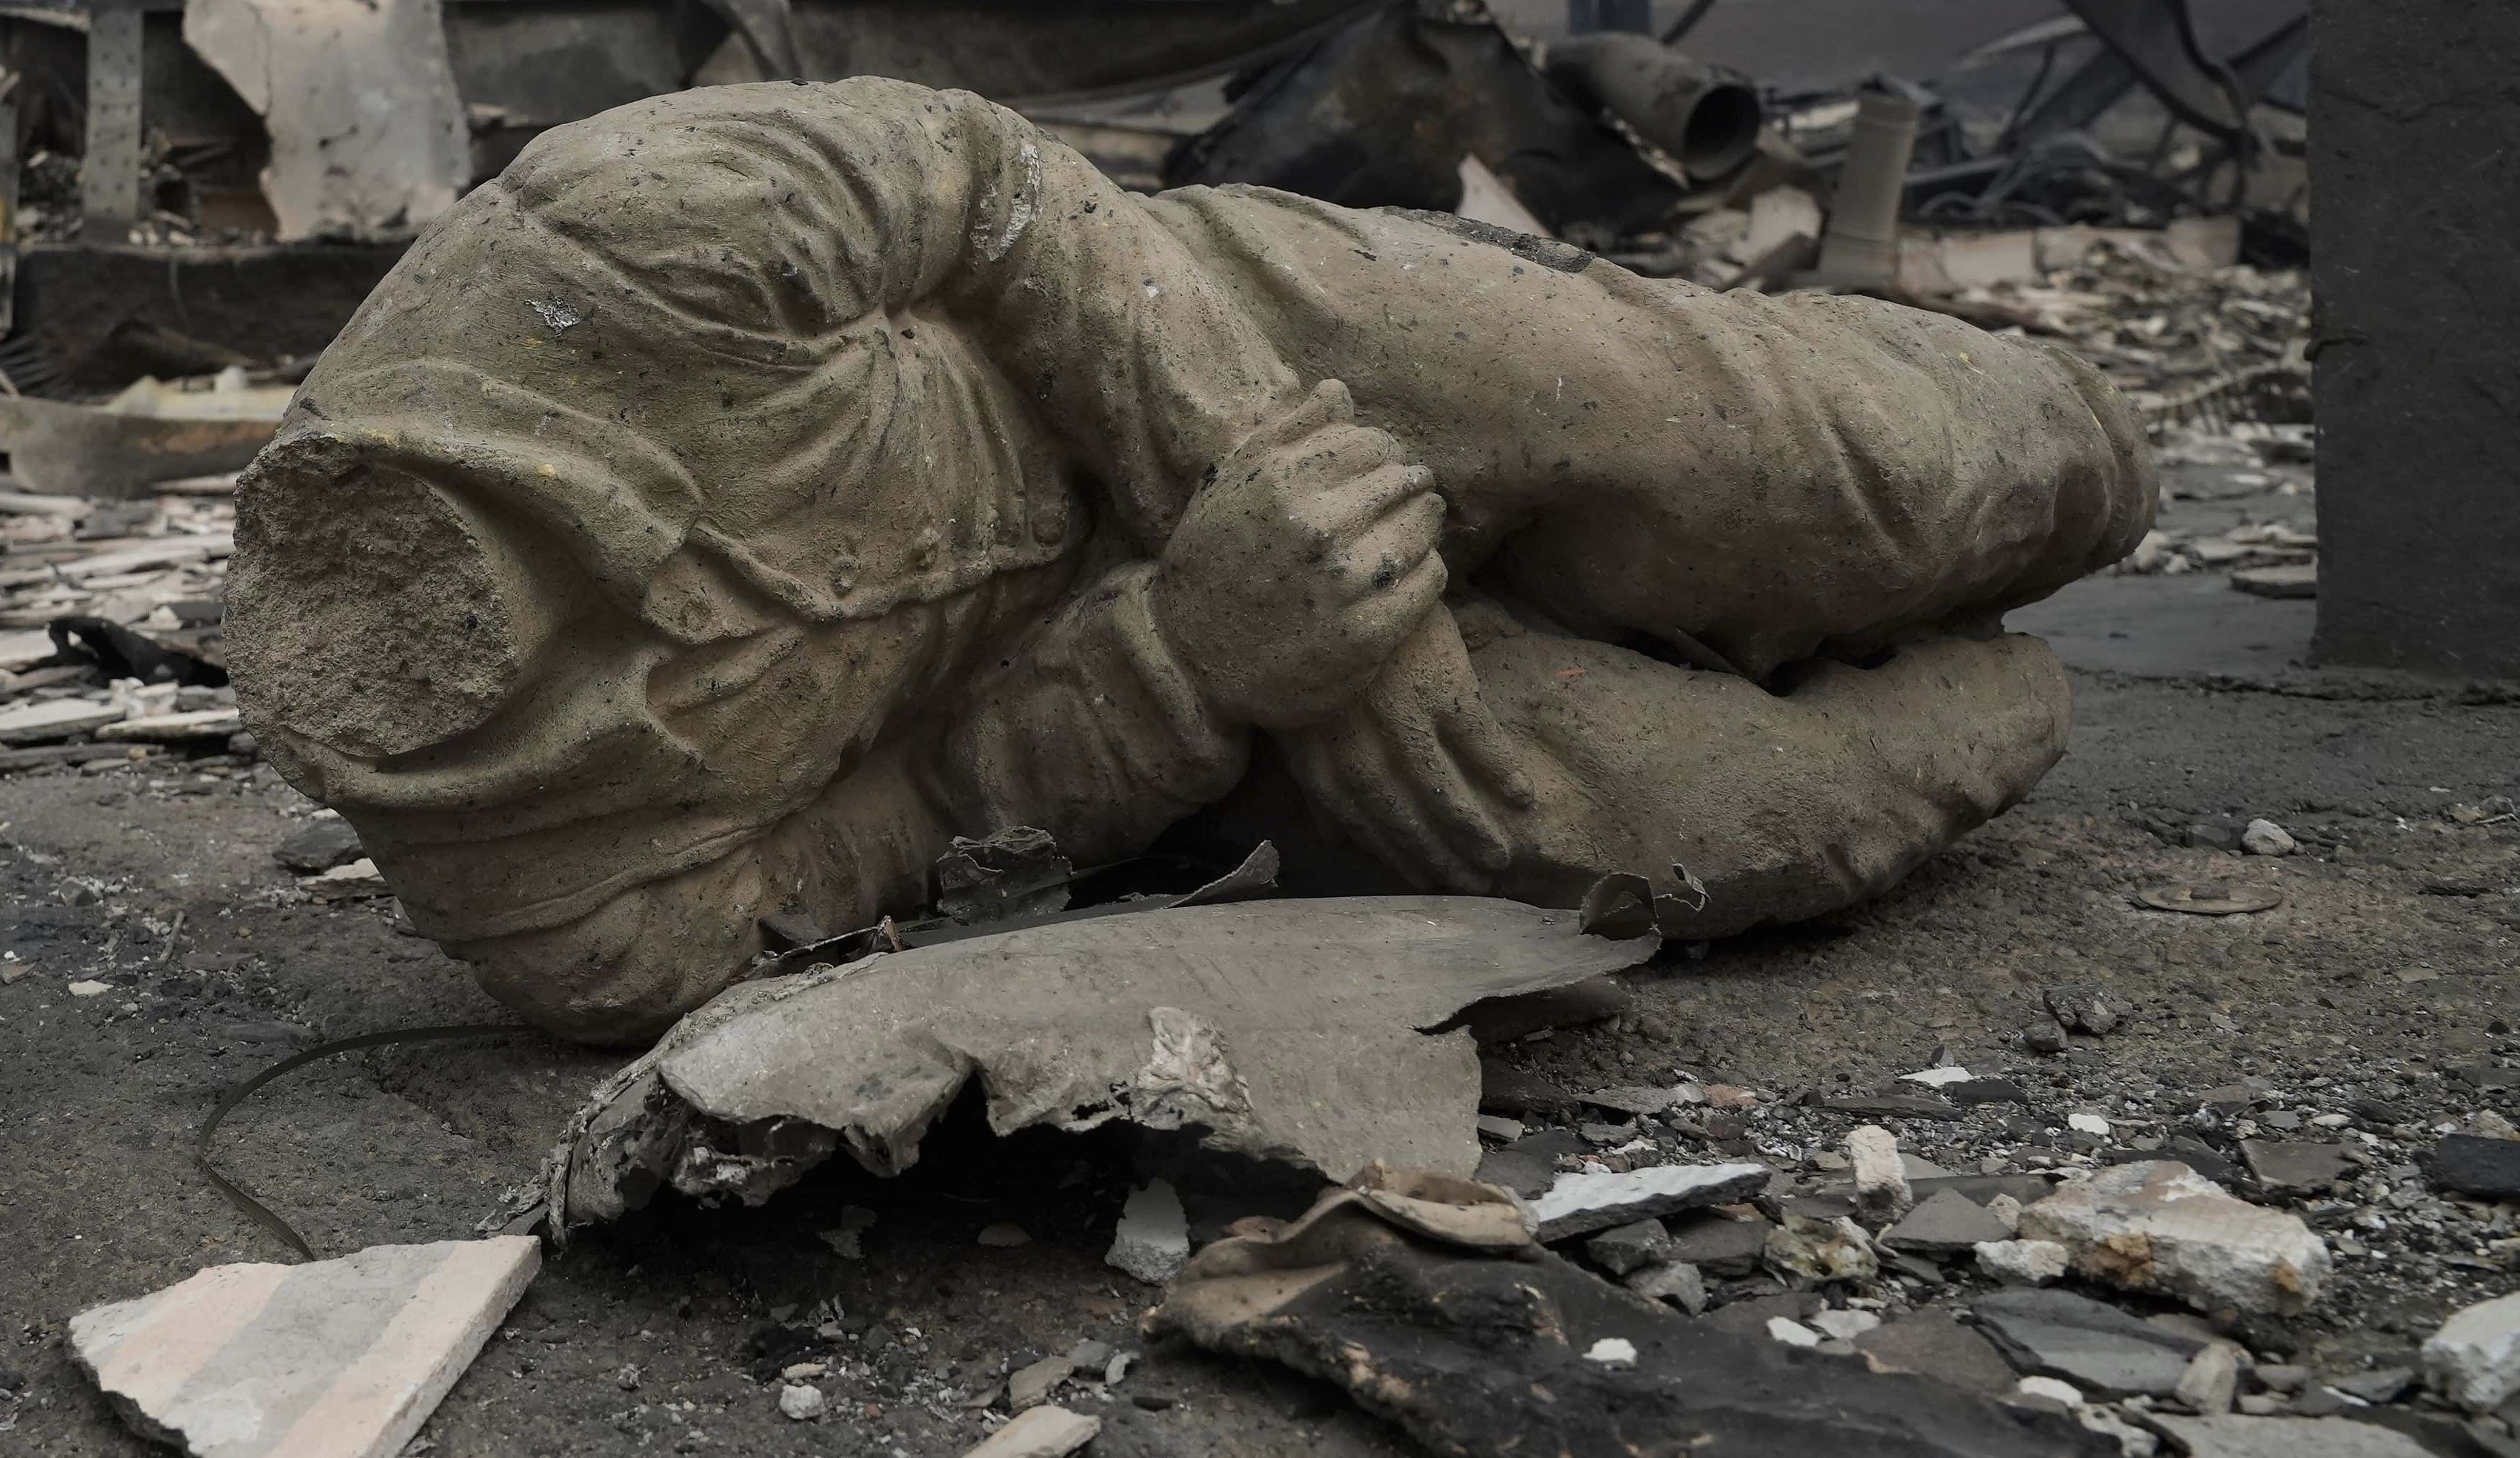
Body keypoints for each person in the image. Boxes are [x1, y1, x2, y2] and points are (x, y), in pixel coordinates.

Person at [226, 79, 2150, 1043]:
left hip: (1211, 341)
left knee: (1835, 482)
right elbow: (912, 830)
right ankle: (2025, 690)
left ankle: (2099, 456)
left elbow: (997, 192)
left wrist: (1281, 509)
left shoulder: (597, 251)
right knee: (1709, 829)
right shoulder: (560, 920)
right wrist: (1201, 657)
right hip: (1178, 691)